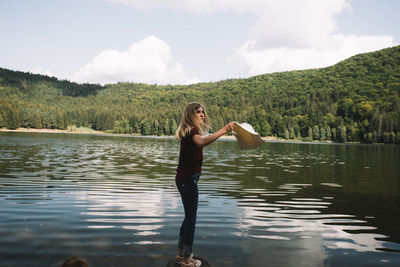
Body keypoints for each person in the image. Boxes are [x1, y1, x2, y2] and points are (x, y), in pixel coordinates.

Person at [174, 102, 234, 267]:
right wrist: (224, 130)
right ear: (190, 115)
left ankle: (181, 254)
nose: (202, 114)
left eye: (202, 112)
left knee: (188, 217)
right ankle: (187, 259)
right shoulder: (192, 130)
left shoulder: (189, 130)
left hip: (184, 180)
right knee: (191, 218)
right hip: (187, 180)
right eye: (198, 112)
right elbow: (201, 142)